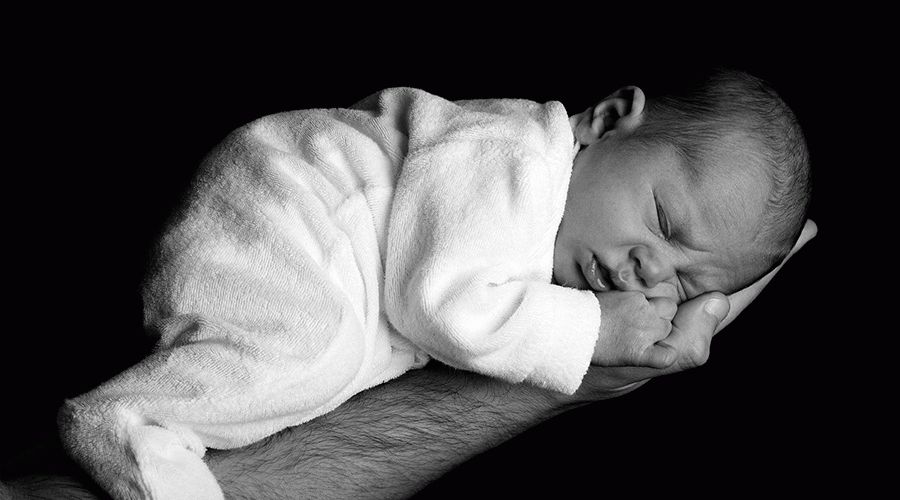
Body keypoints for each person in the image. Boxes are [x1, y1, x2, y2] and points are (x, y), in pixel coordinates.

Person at [54, 68, 811, 500]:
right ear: (608, 120)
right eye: (663, 221)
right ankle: (129, 423)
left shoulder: (552, 220)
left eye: (686, 281)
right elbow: (444, 305)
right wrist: (594, 333)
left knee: (305, 383)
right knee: (305, 352)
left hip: (326, 256)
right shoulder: (510, 159)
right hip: (283, 220)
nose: (652, 270)